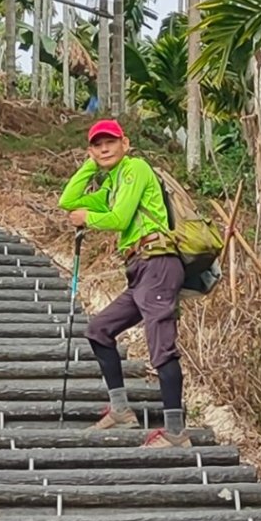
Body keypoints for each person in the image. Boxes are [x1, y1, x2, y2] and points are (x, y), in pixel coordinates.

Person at [58, 118, 191, 448]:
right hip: (139, 269)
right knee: (99, 330)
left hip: (157, 261)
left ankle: (176, 433)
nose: (104, 148)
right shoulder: (113, 182)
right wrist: (91, 166)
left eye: (110, 142)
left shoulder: (135, 169)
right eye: (97, 144)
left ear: (125, 143)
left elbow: (117, 218)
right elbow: (68, 200)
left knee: (161, 346)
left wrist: (87, 218)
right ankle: (120, 410)